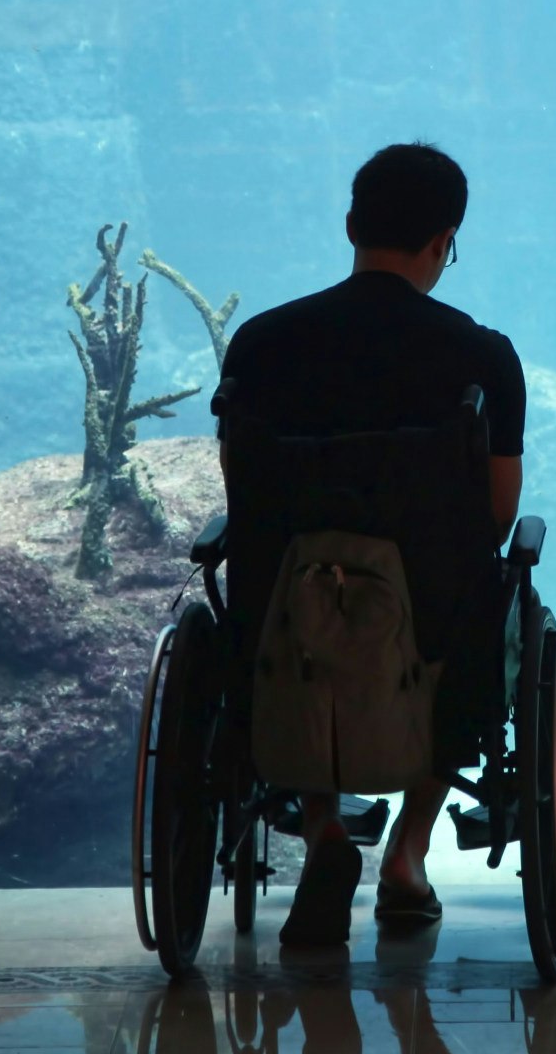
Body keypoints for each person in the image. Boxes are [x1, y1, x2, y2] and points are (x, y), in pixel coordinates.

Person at [214, 142, 528, 947]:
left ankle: (322, 828)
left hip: (284, 618)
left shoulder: (259, 345)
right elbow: (496, 516)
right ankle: (408, 856)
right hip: (429, 626)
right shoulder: (481, 357)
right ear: (443, 243)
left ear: (352, 224)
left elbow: (242, 500)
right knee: (490, 590)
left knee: (279, 586)